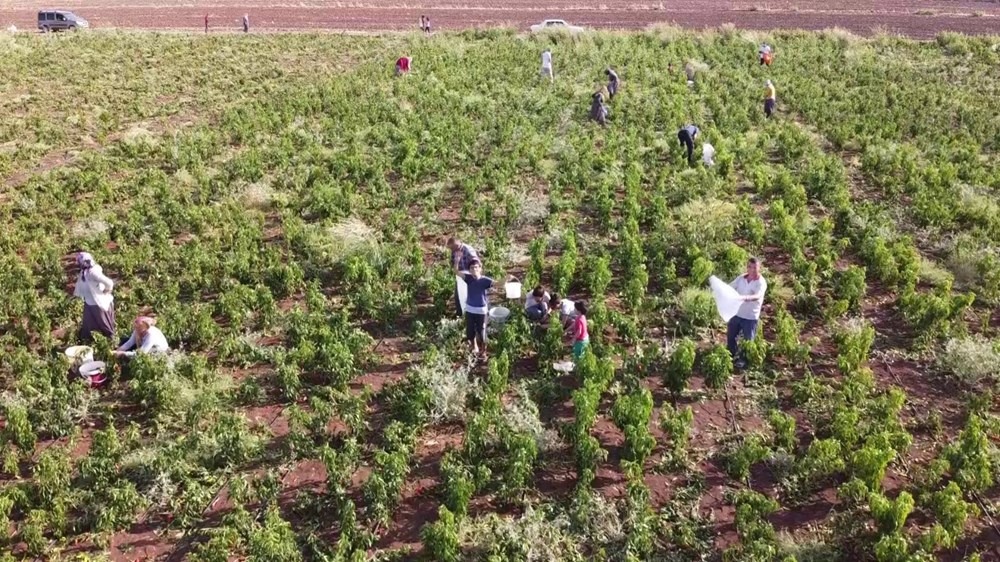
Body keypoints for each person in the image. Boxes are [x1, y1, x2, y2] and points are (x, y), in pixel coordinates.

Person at [727, 258, 767, 369]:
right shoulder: (741, 278)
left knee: (748, 340)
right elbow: (730, 287)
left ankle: (743, 360)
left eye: (755, 267)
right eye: (750, 267)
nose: (752, 270)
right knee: (731, 336)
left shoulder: (760, 282)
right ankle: (731, 354)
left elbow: (758, 296)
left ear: (759, 268)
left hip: (750, 317)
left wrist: (745, 298)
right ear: (747, 267)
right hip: (736, 313)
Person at [73, 252, 116, 341]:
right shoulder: (84, 272)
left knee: (103, 323)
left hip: (98, 303)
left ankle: (111, 342)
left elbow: (109, 282)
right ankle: (88, 340)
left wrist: (108, 289)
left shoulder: (93, 272)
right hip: (89, 302)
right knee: (88, 323)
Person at [462, 261, 493, 357]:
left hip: (481, 311)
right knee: (470, 332)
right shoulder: (468, 279)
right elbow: (456, 272)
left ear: (480, 269)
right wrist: (457, 261)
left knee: (482, 332)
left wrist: (506, 279)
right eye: (472, 268)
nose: (474, 269)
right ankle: (475, 346)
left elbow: (498, 284)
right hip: (470, 309)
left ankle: (483, 351)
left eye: (476, 267)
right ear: (469, 270)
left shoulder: (485, 280)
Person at [449, 237, 480, 317]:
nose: (453, 250)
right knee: (458, 296)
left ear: (459, 244)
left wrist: (475, 276)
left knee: (470, 295)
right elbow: (453, 264)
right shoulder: (454, 251)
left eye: (454, 247)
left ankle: (472, 314)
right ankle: (460, 314)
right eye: (451, 248)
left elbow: (476, 262)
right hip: (460, 275)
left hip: (470, 275)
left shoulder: (468, 250)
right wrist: (456, 262)